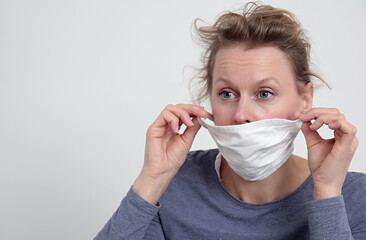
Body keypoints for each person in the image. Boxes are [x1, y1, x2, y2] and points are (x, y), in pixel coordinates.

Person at [94, 2, 366, 239]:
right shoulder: (174, 184)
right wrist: (153, 178)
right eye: (227, 93)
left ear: (305, 98)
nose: (240, 114)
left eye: (264, 93)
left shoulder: (354, 195)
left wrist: (327, 192)